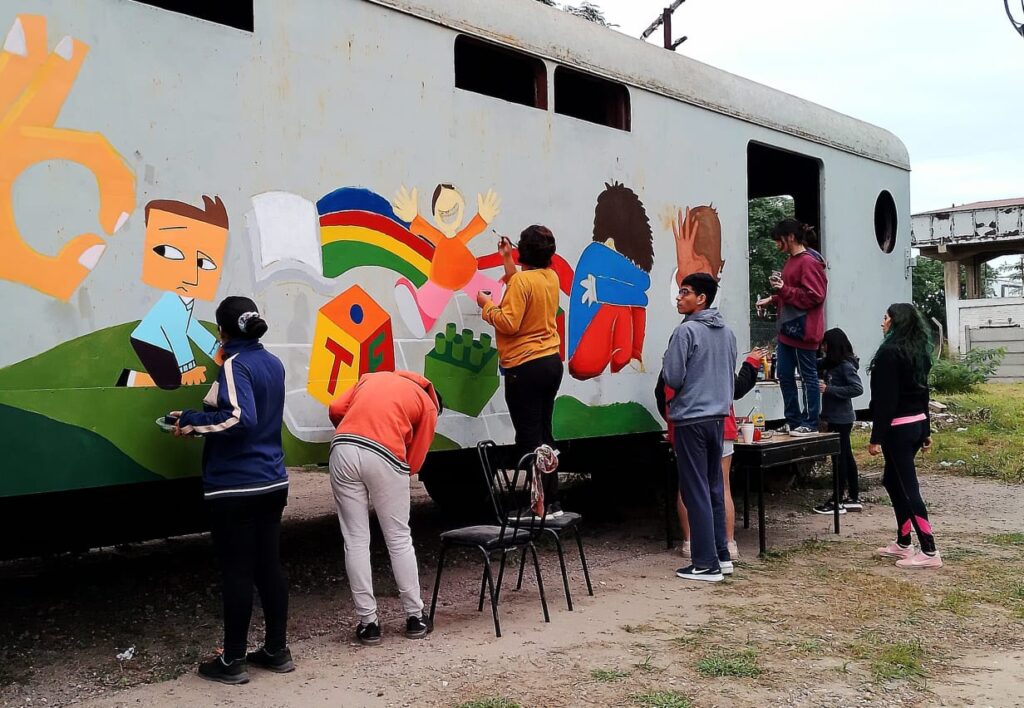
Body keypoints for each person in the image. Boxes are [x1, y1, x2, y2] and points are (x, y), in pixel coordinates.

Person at [171, 296, 292, 685]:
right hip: (273, 480)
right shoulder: (272, 363)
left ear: (222, 331)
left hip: (237, 485)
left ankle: (233, 661)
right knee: (268, 567)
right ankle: (276, 650)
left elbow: (241, 418)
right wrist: (199, 418)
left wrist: (192, 422)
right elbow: (249, 413)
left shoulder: (235, 365)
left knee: (237, 572)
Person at [328, 370, 442, 645]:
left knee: (355, 540)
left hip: (342, 449)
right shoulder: (428, 405)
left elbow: (335, 408)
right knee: (398, 539)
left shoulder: (371, 378)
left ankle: (369, 624)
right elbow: (415, 460)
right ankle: (415, 617)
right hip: (385, 453)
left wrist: (354, 430)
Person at [477, 225, 564, 516]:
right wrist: (507, 260)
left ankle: (538, 506)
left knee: (528, 439)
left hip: (524, 367)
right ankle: (552, 501)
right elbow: (525, 287)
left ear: (523, 251)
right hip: (550, 362)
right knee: (544, 434)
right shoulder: (550, 277)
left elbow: (509, 322)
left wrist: (486, 306)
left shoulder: (522, 283)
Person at [662, 272, 737, 582]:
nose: (679, 297)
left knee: (695, 490)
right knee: (714, 486)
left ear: (701, 299)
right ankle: (721, 554)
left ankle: (704, 563)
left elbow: (673, 377)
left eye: (685, 292)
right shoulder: (728, 333)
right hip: (718, 418)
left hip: (691, 418)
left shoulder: (686, 332)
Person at [657, 348, 764, 561]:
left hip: (685, 428)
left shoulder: (673, 366)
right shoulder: (716, 360)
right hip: (721, 426)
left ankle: (690, 542)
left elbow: (661, 397)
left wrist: (671, 424)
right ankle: (728, 543)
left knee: (688, 487)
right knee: (722, 485)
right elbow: (738, 388)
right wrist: (751, 363)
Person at [868, 303, 942, 569]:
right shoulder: (918, 352)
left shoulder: (889, 353)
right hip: (916, 424)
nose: (882, 322)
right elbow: (924, 392)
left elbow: (886, 399)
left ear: (896, 322)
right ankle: (903, 542)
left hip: (898, 428)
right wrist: (927, 430)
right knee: (892, 480)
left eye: (886, 318)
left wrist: (876, 436)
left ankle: (930, 550)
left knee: (908, 487)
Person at [756, 219, 827, 435]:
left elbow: (815, 296)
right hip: (788, 330)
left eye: (779, 240)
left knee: (808, 377)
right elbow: (792, 294)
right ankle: (793, 420)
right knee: (784, 375)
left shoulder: (809, 262)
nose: (777, 244)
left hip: (804, 331)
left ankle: (811, 422)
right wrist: (773, 298)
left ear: (791, 238)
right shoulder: (791, 261)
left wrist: (784, 290)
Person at [813, 328, 864, 515]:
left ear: (832, 345)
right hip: (837, 417)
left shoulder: (845, 365)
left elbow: (857, 389)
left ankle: (837, 500)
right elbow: (814, 362)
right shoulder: (831, 362)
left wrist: (829, 389)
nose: (823, 347)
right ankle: (853, 497)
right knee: (847, 456)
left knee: (839, 459)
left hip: (841, 418)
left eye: (825, 344)